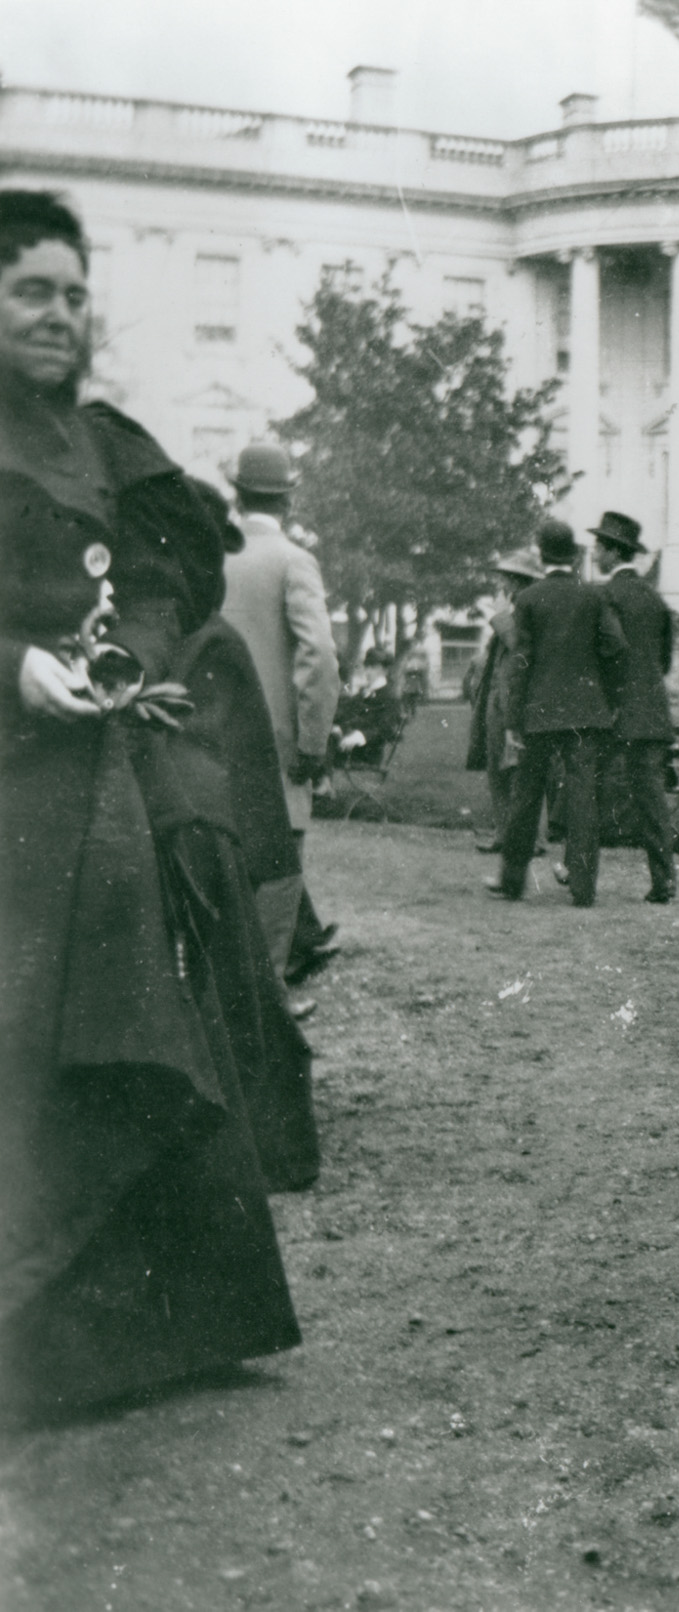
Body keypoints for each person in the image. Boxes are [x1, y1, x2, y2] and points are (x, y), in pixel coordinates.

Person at [0, 190, 300, 1417]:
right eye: (31, 290)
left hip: (110, 772)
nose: (60, 315)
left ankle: (152, 1331)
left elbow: (178, 572)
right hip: (15, 784)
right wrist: (17, 667)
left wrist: (139, 651)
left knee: (148, 1008)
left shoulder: (111, 439)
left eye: (74, 293)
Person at [220, 441, 342, 988]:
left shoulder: (209, 555)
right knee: (279, 864)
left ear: (236, 494)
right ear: (288, 500)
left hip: (209, 734)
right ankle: (266, 995)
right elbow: (318, 656)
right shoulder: (294, 560)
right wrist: (312, 742)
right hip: (275, 739)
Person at [488, 519, 627, 908]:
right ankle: (584, 888)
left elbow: (521, 661)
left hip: (539, 714)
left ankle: (512, 881)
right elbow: (615, 647)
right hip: (587, 713)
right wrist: (608, 697)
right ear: (574, 553)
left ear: (541, 552)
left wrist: (514, 720)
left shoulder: (529, 599)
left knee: (526, 796)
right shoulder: (594, 596)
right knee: (583, 798)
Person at [591, 511, 678, 904]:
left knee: (586, 790)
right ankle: (664, 882)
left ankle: (576, 869)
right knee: (652, 801)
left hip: (611, 712)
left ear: (612, 552)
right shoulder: (656, 601)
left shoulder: (605, 596)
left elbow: (604, 656)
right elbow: (664, 662)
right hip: (653, 714)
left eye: (598, 546)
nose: (594, 553)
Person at [466, 546, 543, 851]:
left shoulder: (529, 607)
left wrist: (499, 616)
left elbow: (517, 645)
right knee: (496, 769)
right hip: (497, 697)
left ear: (519, 579)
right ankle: (504, 834)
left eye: (507, 578)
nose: (502, 584)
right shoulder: (511, 605)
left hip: (518, 698)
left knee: (521, 769)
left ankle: (532, 839)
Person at [329, 647, 402, 766]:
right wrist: (338, 727)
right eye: (367, 667)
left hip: (367, 750)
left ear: (385, 670)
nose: (367, 672)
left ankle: (312, 778)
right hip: (347, 742)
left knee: (322, 746)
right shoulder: (364, 693)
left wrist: (361, 736)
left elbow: (387, 729)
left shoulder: (390, 697)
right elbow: (346, 713)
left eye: (373, 668)